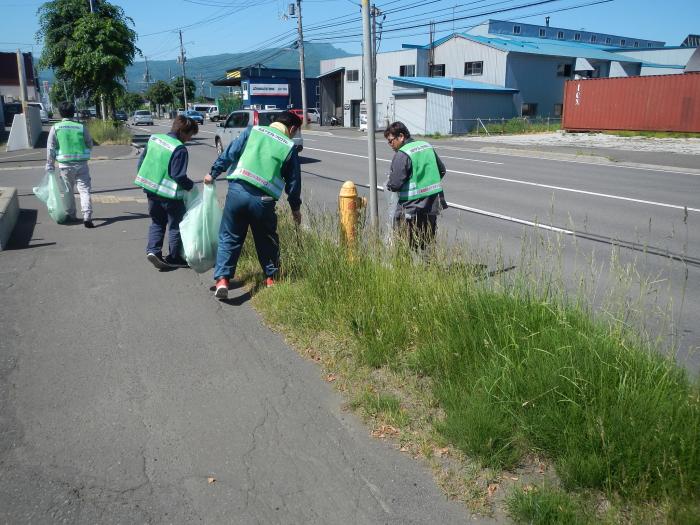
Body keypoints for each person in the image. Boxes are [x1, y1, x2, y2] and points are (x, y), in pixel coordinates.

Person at [204, 110, 302, 300]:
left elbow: (230, 153)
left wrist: (213, 173)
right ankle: (271, 278)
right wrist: (295, 209)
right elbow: (293, 183)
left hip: (237, 193)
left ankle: (223, 280)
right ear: (291, 128)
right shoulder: (289, 147)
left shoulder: (253, 131)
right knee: (266, 239)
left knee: (229, 237)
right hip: (263, 201)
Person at [135, 115, 198, 269]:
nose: (189, 139)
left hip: (151, 191)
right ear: (183, 132)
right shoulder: (179, 148)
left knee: (157, 222)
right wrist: (191, 186)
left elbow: (141, 162)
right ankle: (174, 257)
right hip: (170, 196)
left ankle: (153, 251)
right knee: (175, 225)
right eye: (190, 135)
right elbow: (178, 175)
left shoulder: (154, 139)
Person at [384, 121, 447, 251]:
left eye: (391, 141)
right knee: (427, 241)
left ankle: (406, 270)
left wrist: (389, 185)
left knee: (403, 243)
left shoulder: (402, 154)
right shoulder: (426, 146)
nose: (390, 145)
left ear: (401, 136)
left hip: (410, 207)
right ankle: (428, 269)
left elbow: (395, 184)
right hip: (431, 205)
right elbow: (441, 170)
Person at [45, 101, 94, 228]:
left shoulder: (55, 128)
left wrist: (50, 164)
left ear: (60, 113)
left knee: (68, 191)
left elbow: (51, 148)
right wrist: (85, 152)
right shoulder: (81, 127)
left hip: (65, 166)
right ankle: (87, 215)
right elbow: (90, 143)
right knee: (84, 190)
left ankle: (72, 215)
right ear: (73, 112)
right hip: (82, 164)